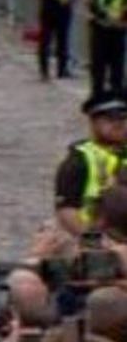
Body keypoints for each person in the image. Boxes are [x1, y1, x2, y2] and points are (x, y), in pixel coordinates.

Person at [54, 91, 127, 236]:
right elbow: (67, 210)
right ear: (93, 122)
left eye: (123, 119)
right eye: (110, 120)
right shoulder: (80, 160)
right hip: (94, 236)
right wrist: (90, 239)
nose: (118, 124)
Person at [89, 0, 127, 97]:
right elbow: (94, 7)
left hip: (119, 32)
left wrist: (122, 20)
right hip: (101, 31)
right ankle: (97, 97)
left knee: (117, 68)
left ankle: (117, 98)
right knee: (98, 68)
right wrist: (109, 19)